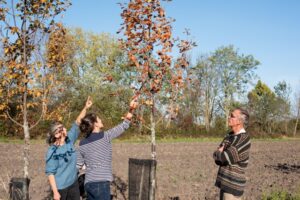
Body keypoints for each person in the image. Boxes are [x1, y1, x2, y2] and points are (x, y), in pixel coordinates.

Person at [76, 98, 138, 200]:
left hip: (88, 184)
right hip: (101, 183)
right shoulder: (105, 136)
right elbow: (125, 124)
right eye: (99, 119)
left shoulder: (82, 143)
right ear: (95, 124)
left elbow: (78, 166)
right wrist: (131, 109)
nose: (101, 120)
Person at [45, 97, 93, 200]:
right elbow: (50, 173)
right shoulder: (53, 152)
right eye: (62, 128)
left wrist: (86, 107)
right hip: (61, 188)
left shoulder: (69, 140)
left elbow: (77, 122)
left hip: (73, 183)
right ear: (57, 134)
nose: (65, 129)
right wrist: (55, 192)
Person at [213, 108, 251, 200]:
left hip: (233, 188)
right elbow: (216, 158)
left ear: (240, 121)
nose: (228, 117)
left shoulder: (244, 139)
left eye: (232, 116)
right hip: (224, 184)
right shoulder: (229, 136)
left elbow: (224, 157)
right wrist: (219, 153)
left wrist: (220, 152)